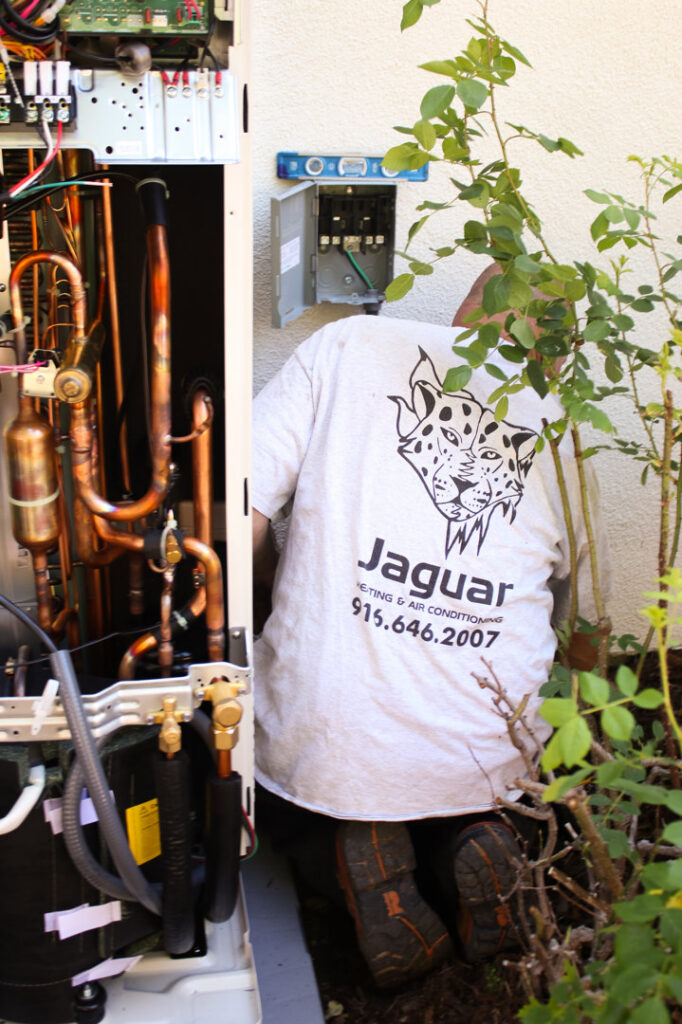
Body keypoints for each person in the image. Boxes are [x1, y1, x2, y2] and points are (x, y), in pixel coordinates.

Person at [251, 265, 602, 987]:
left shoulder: (349, 346)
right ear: (559, 355)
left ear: (465, 313)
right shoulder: (567, 436)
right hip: (486, 761)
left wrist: (268, 600)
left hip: (330, 746)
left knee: (296, 820)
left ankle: (365, 856)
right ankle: (482, 843)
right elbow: (581, 633)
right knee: (502, 811)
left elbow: (236, 514)